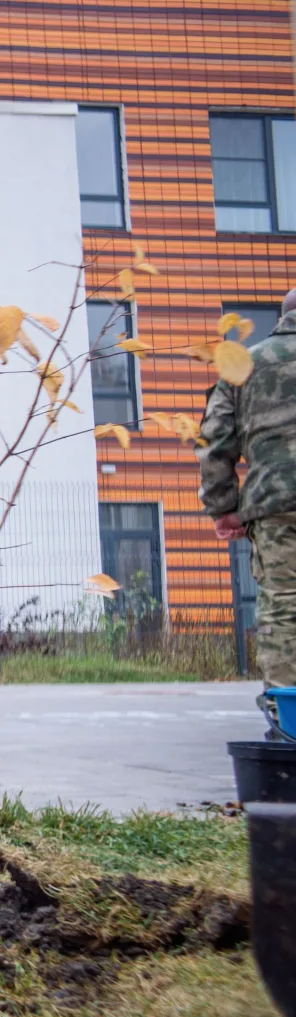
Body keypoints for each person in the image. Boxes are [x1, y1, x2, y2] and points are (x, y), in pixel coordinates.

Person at [197, 287, 296, 722]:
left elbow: (216, 441)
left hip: (276, 505)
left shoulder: (245, 363)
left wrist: (224, 508)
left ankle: (287, 714)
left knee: (284, 602)